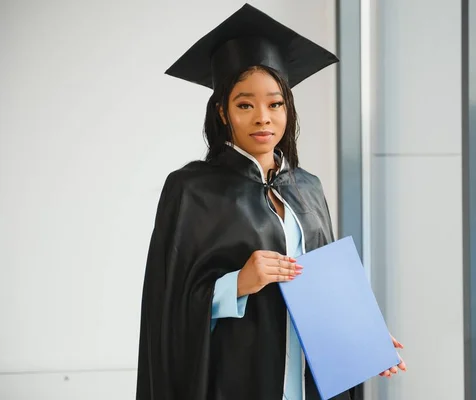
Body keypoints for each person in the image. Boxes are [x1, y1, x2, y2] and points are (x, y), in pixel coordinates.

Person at [135, 4, 405, 400]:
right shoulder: (191, 190)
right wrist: (238, 283)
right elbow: (168, 312)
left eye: (275, 104)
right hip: (235, 379)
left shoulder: (306, 187)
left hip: (309, 376)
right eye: (245, 104)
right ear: (222, 112)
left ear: (287, 108)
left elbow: (326, 287)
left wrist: (365, 340)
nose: (263, 117)